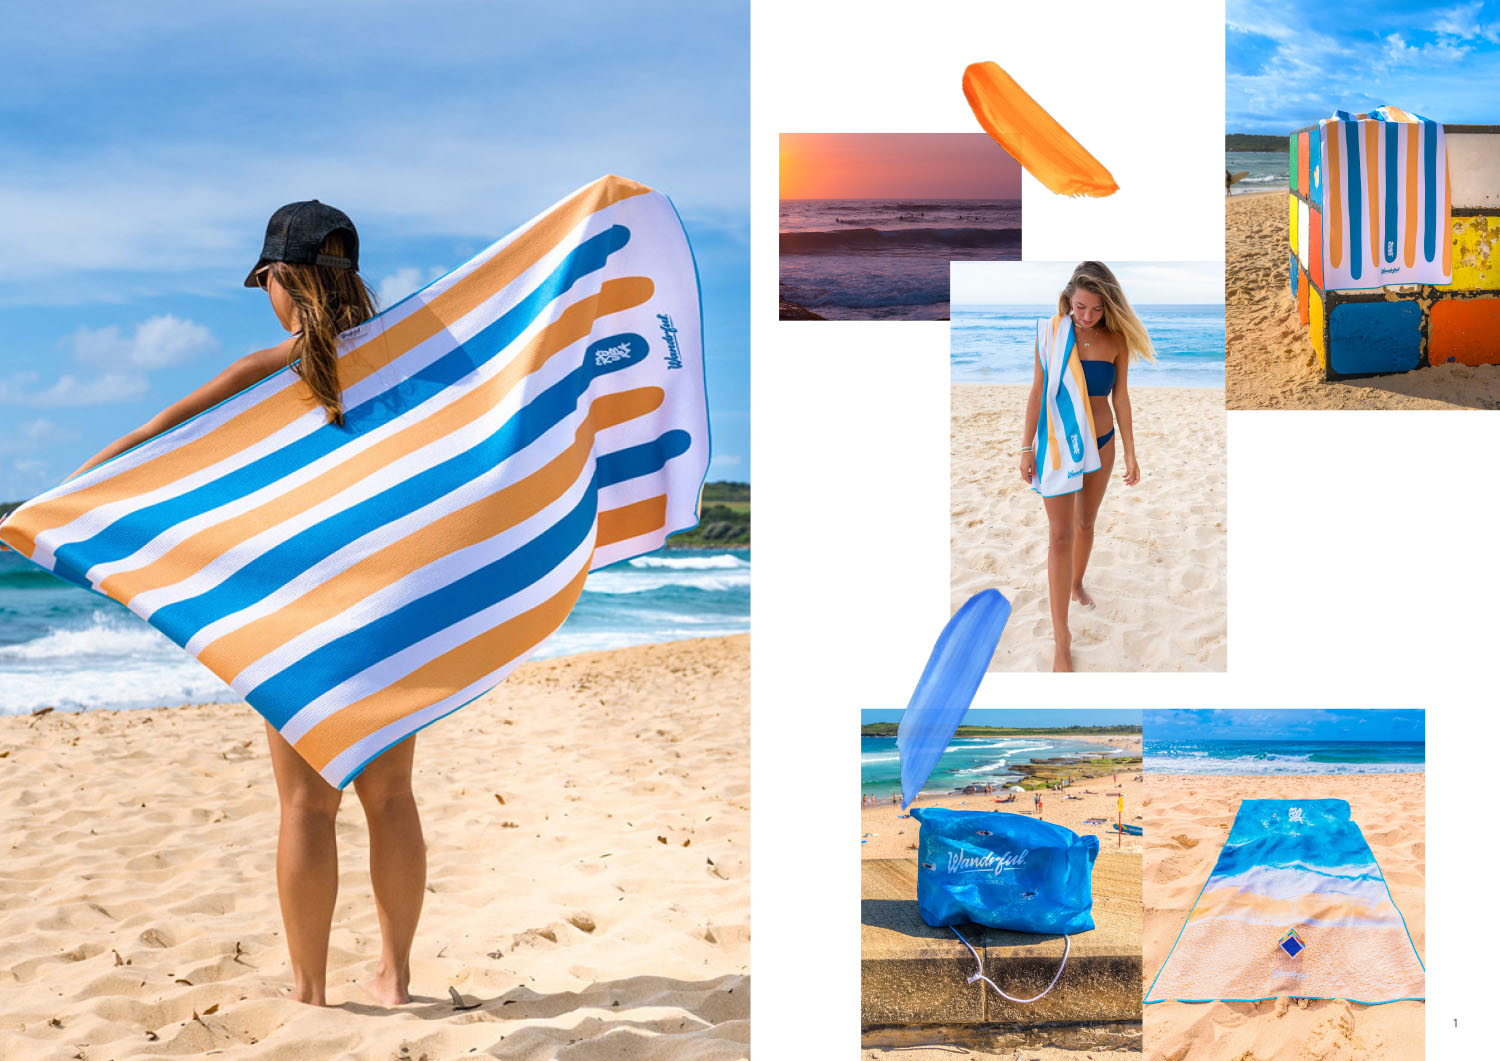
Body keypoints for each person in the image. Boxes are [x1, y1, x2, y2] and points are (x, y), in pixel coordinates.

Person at [69, 201, 424, 1008]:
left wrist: (56, 503)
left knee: (306, 804)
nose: (266, 293)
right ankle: (397, 979)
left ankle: (310, 993)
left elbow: (155, 441)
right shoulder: (410, 364)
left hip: (297, 616)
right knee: (393, 797)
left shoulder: (266, 373)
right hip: (390, 607)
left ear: (286, 277)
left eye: (266, 278)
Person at [1018, 262, 1155, 671]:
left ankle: (1076, 583)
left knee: (1085, 526)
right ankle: (1062, 638)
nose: (1086, 316)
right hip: (1059, 444)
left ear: (1108, 305)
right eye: (1080, 307)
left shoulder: (1116, 340)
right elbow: (1038, 390)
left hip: (1102, 444)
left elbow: (1121, 399)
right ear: (1068, 299)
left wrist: (1131, 450)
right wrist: (1026, 447)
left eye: (1095, 309)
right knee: (1059, 538)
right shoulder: (1052, 335)